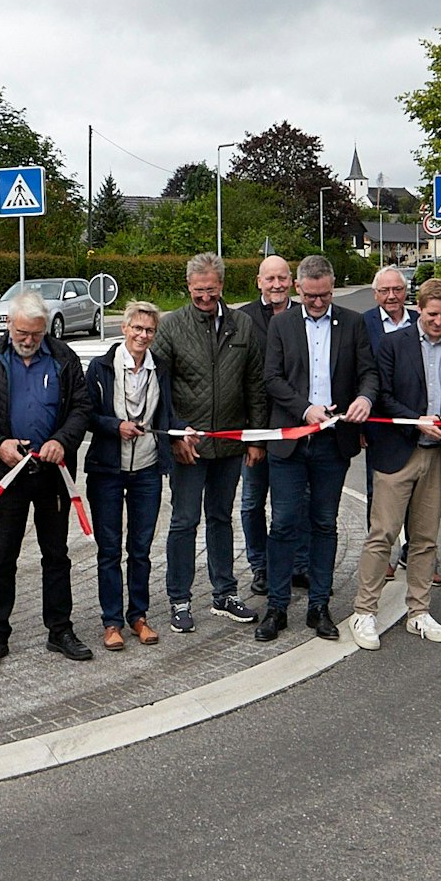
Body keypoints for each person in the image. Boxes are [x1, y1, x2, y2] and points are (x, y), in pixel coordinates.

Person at [0, 291, 97, 668]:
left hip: (53, 474)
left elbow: (82, 408)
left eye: (35, 334)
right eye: (21, 332)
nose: (28, 340)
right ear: (10, 325)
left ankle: (60, 630)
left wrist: (61, 441)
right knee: (3, 555)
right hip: (7, 473)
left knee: (56, 555)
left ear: (46, 328)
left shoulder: (64, 357)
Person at [351, 278, 441, 648]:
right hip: (397, 452)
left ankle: (418, 612)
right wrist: (416, 418)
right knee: (383, 534)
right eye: (431, 314)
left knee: (425, 539)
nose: (438, 321)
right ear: (417, 309)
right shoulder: (392, 345)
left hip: (439, 454)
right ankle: (364, 612)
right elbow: (384, 396)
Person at [258, 254, 378, 642]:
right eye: (310, 296)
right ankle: (276, 606)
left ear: (332, 287)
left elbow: (368, 373)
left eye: (324, 295)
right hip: (291, 441)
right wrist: (303, 409)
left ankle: (319, 605)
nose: (318, 303)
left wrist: (366, 399)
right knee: (283, 523)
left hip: (333, 441)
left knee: (325, 524)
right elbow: (271, 378)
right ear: (298, 288)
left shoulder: (353, 323)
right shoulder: (281, 324)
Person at [153, 253, 267, 632]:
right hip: (189, 445)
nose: (206, 297)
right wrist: (174, 434)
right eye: (199, 291)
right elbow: (160, 388)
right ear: (189, 287)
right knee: (184, 522)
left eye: (212, 290)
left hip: (231, 443)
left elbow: (255, 384)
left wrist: (254, 437)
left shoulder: (244, 326)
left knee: (222, 518)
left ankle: (225, 594)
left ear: (222, 286)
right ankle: (179, 599)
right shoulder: (171, 327)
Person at [85, 301, 177, 652]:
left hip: (148, 470)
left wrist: (183, 433)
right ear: (124, 328)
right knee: (109, 549)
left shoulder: (160, 369)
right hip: (107, 470)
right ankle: (111, 622)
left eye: (149, 330)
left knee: (140, 549)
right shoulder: (100, 368)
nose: (142, 335)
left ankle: (138, 615)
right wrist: (115, 426)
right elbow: (87, 414)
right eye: (137, 328)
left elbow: (167, 414)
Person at [237, 254, 300, 597]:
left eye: (282, 278)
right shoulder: (243, 318)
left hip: (295, 426)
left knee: (293, 502)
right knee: (252, 502)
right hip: (255, 429)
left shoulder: (305, 315)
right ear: (258, 281)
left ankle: (296, 565)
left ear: (291, 281)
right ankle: (260, 566)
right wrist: (250, 434)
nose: (276, 285)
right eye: (269, 279)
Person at [365, 265, 430, 586]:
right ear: (376, 294)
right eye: (385, 291)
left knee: (421, 494)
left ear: (406, 292)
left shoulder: (423, 321)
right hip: (378, 423)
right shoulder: (363, 324)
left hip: (416, 422)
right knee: (377, 493)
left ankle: (416, 554)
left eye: (398, 290)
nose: (392, 296)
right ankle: (382, 558)